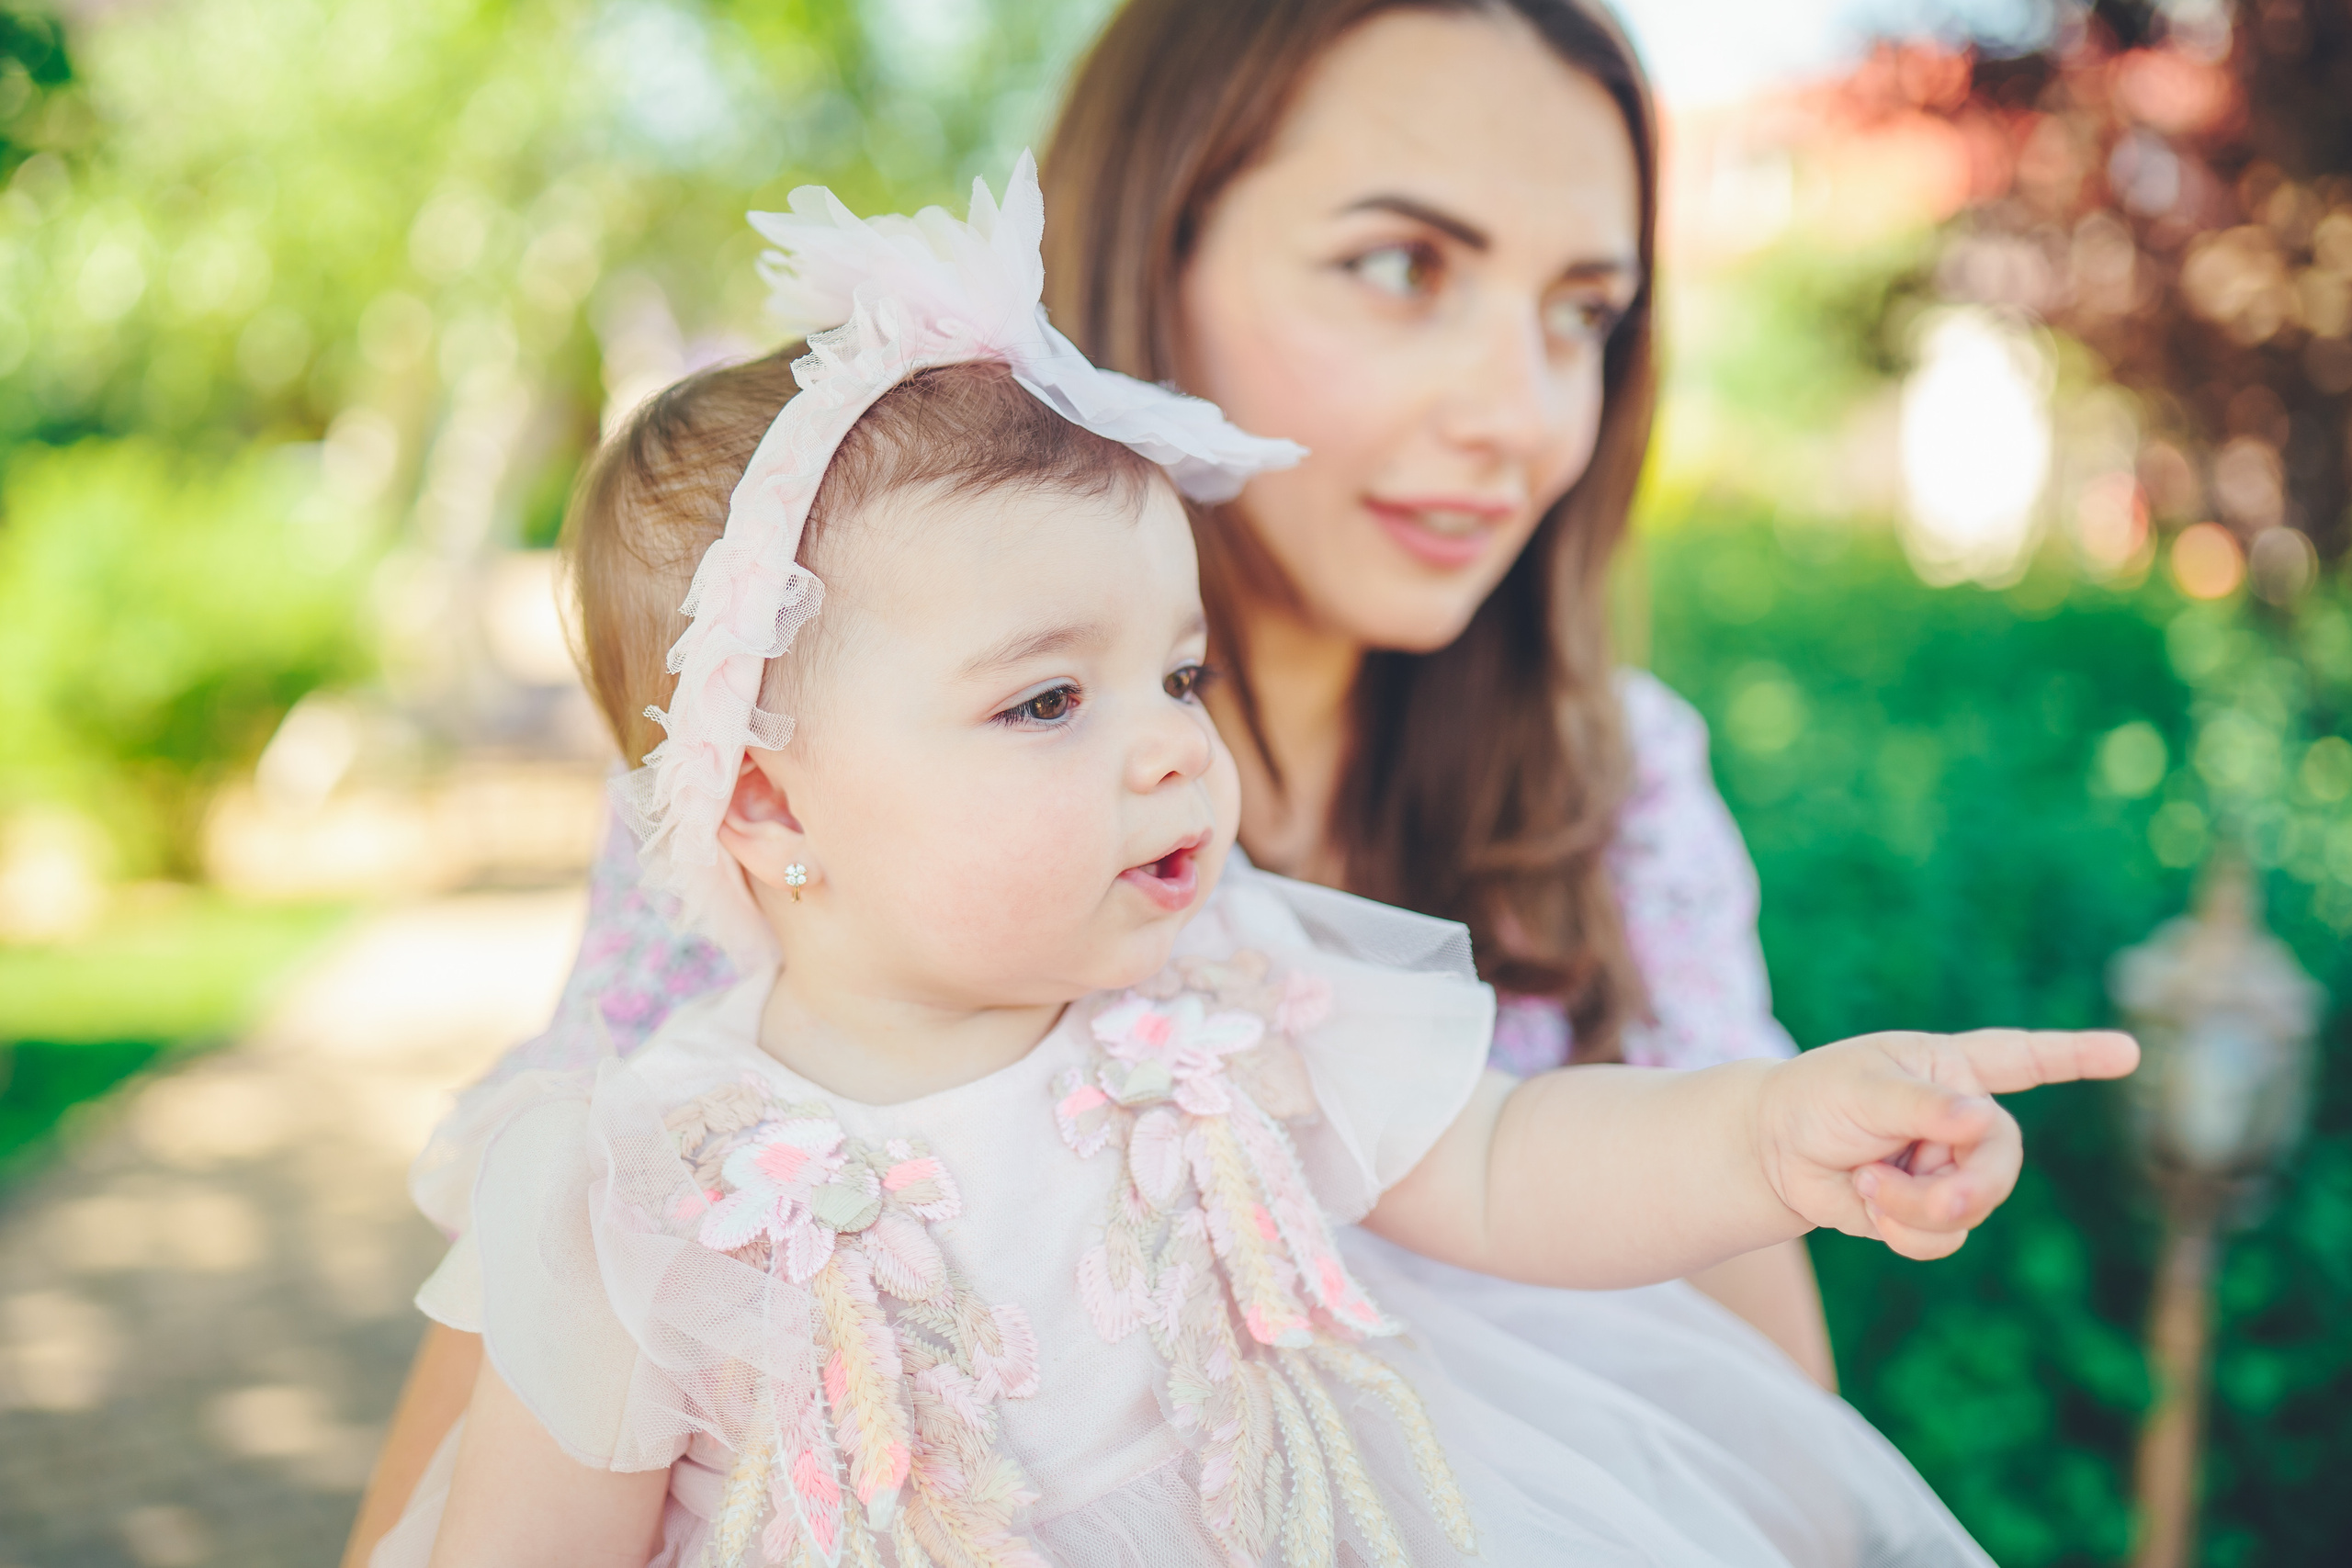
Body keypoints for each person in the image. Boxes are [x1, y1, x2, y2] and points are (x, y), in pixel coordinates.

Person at [373, 163, 2132, 1568]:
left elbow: (1509, 1163)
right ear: (767, 807)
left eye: (1179, 675)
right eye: (1047, 699)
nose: (1169, 749)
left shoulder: (1225, 1005)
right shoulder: (643, 1190)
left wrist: (1763, 1136)